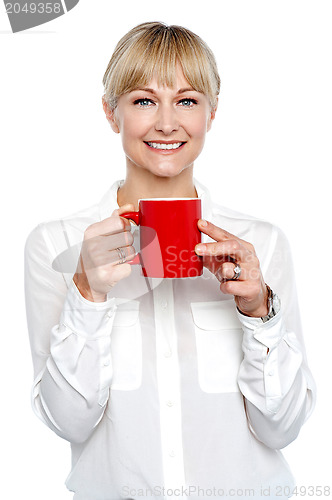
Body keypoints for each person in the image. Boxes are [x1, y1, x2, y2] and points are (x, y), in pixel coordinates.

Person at [25, 22, 316, 500]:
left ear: (211, 113)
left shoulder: (260, 242)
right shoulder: (54, 244)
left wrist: (260, 311)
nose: (166, 123)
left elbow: (282, 429)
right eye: (143, 100)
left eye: (187, 100)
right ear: (110, 112)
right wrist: (88, 294)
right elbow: (69, 423)